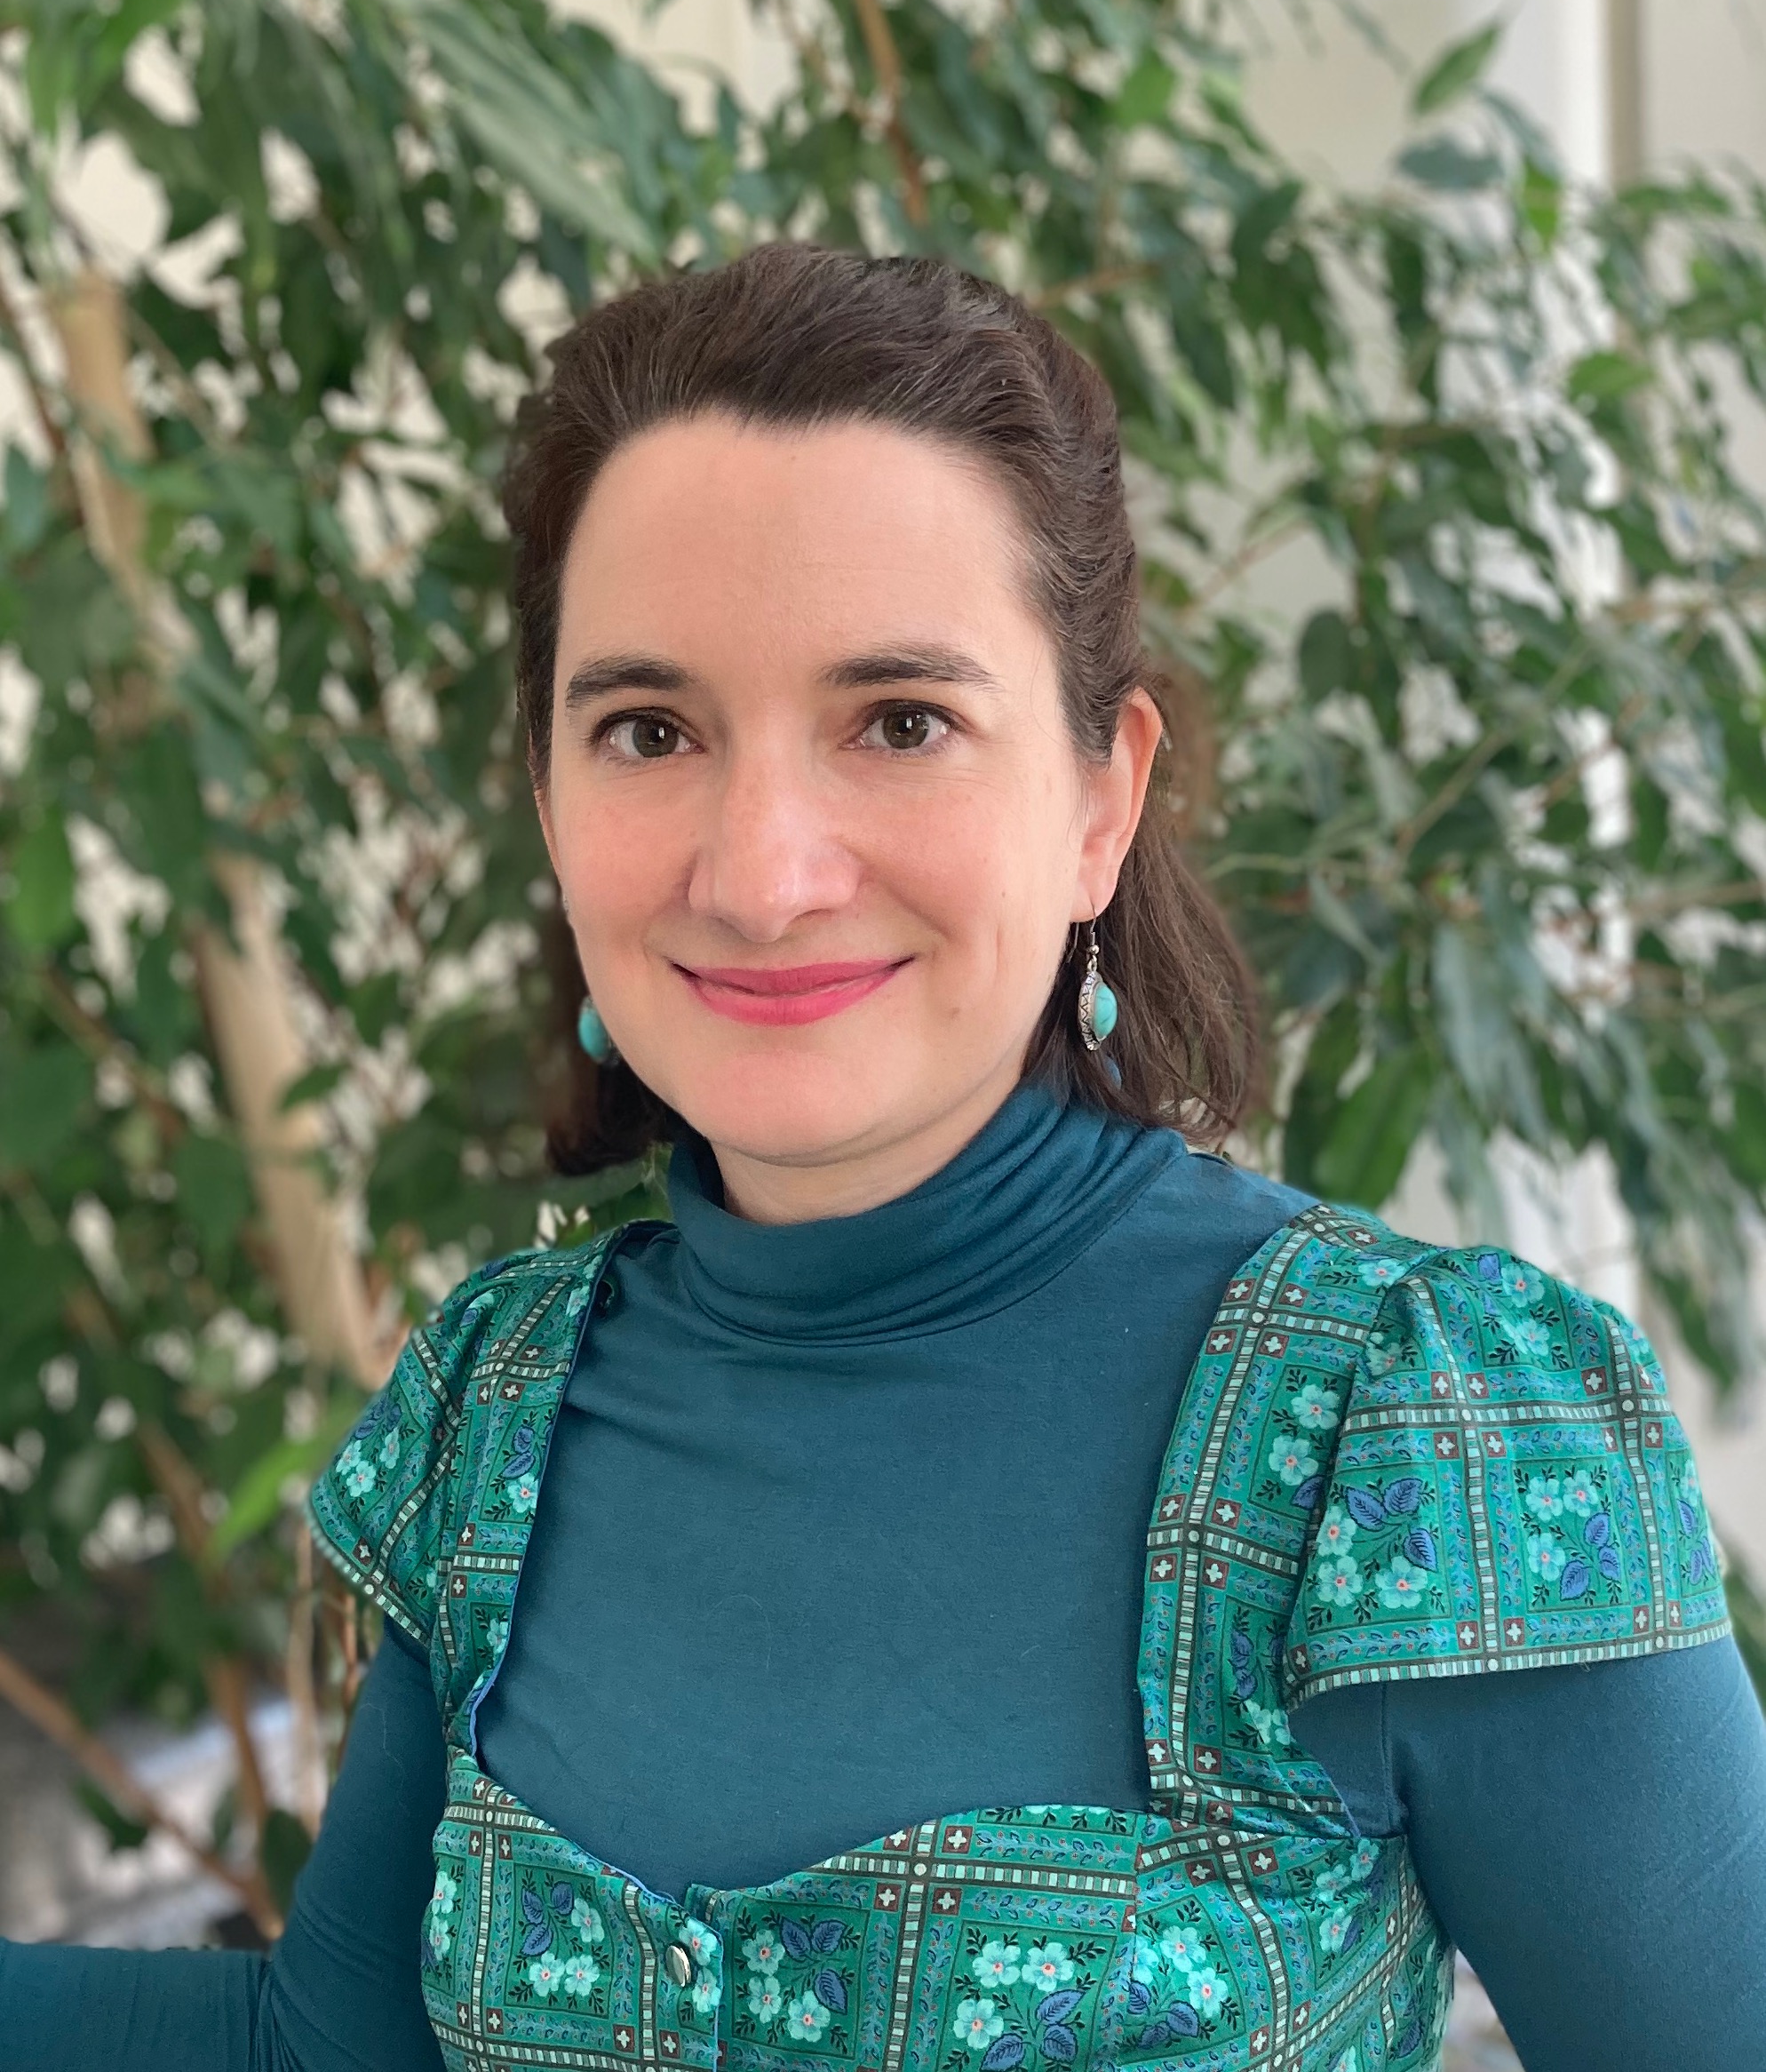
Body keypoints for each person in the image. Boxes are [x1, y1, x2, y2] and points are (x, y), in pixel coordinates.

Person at [4, 243, 1764, 2072]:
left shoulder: (1413, 1426)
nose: (763, 873)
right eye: (649, 730)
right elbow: (327, 2052)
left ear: (1101, 797)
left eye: (902, 722)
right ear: (547, 796)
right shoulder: (496, 1413)